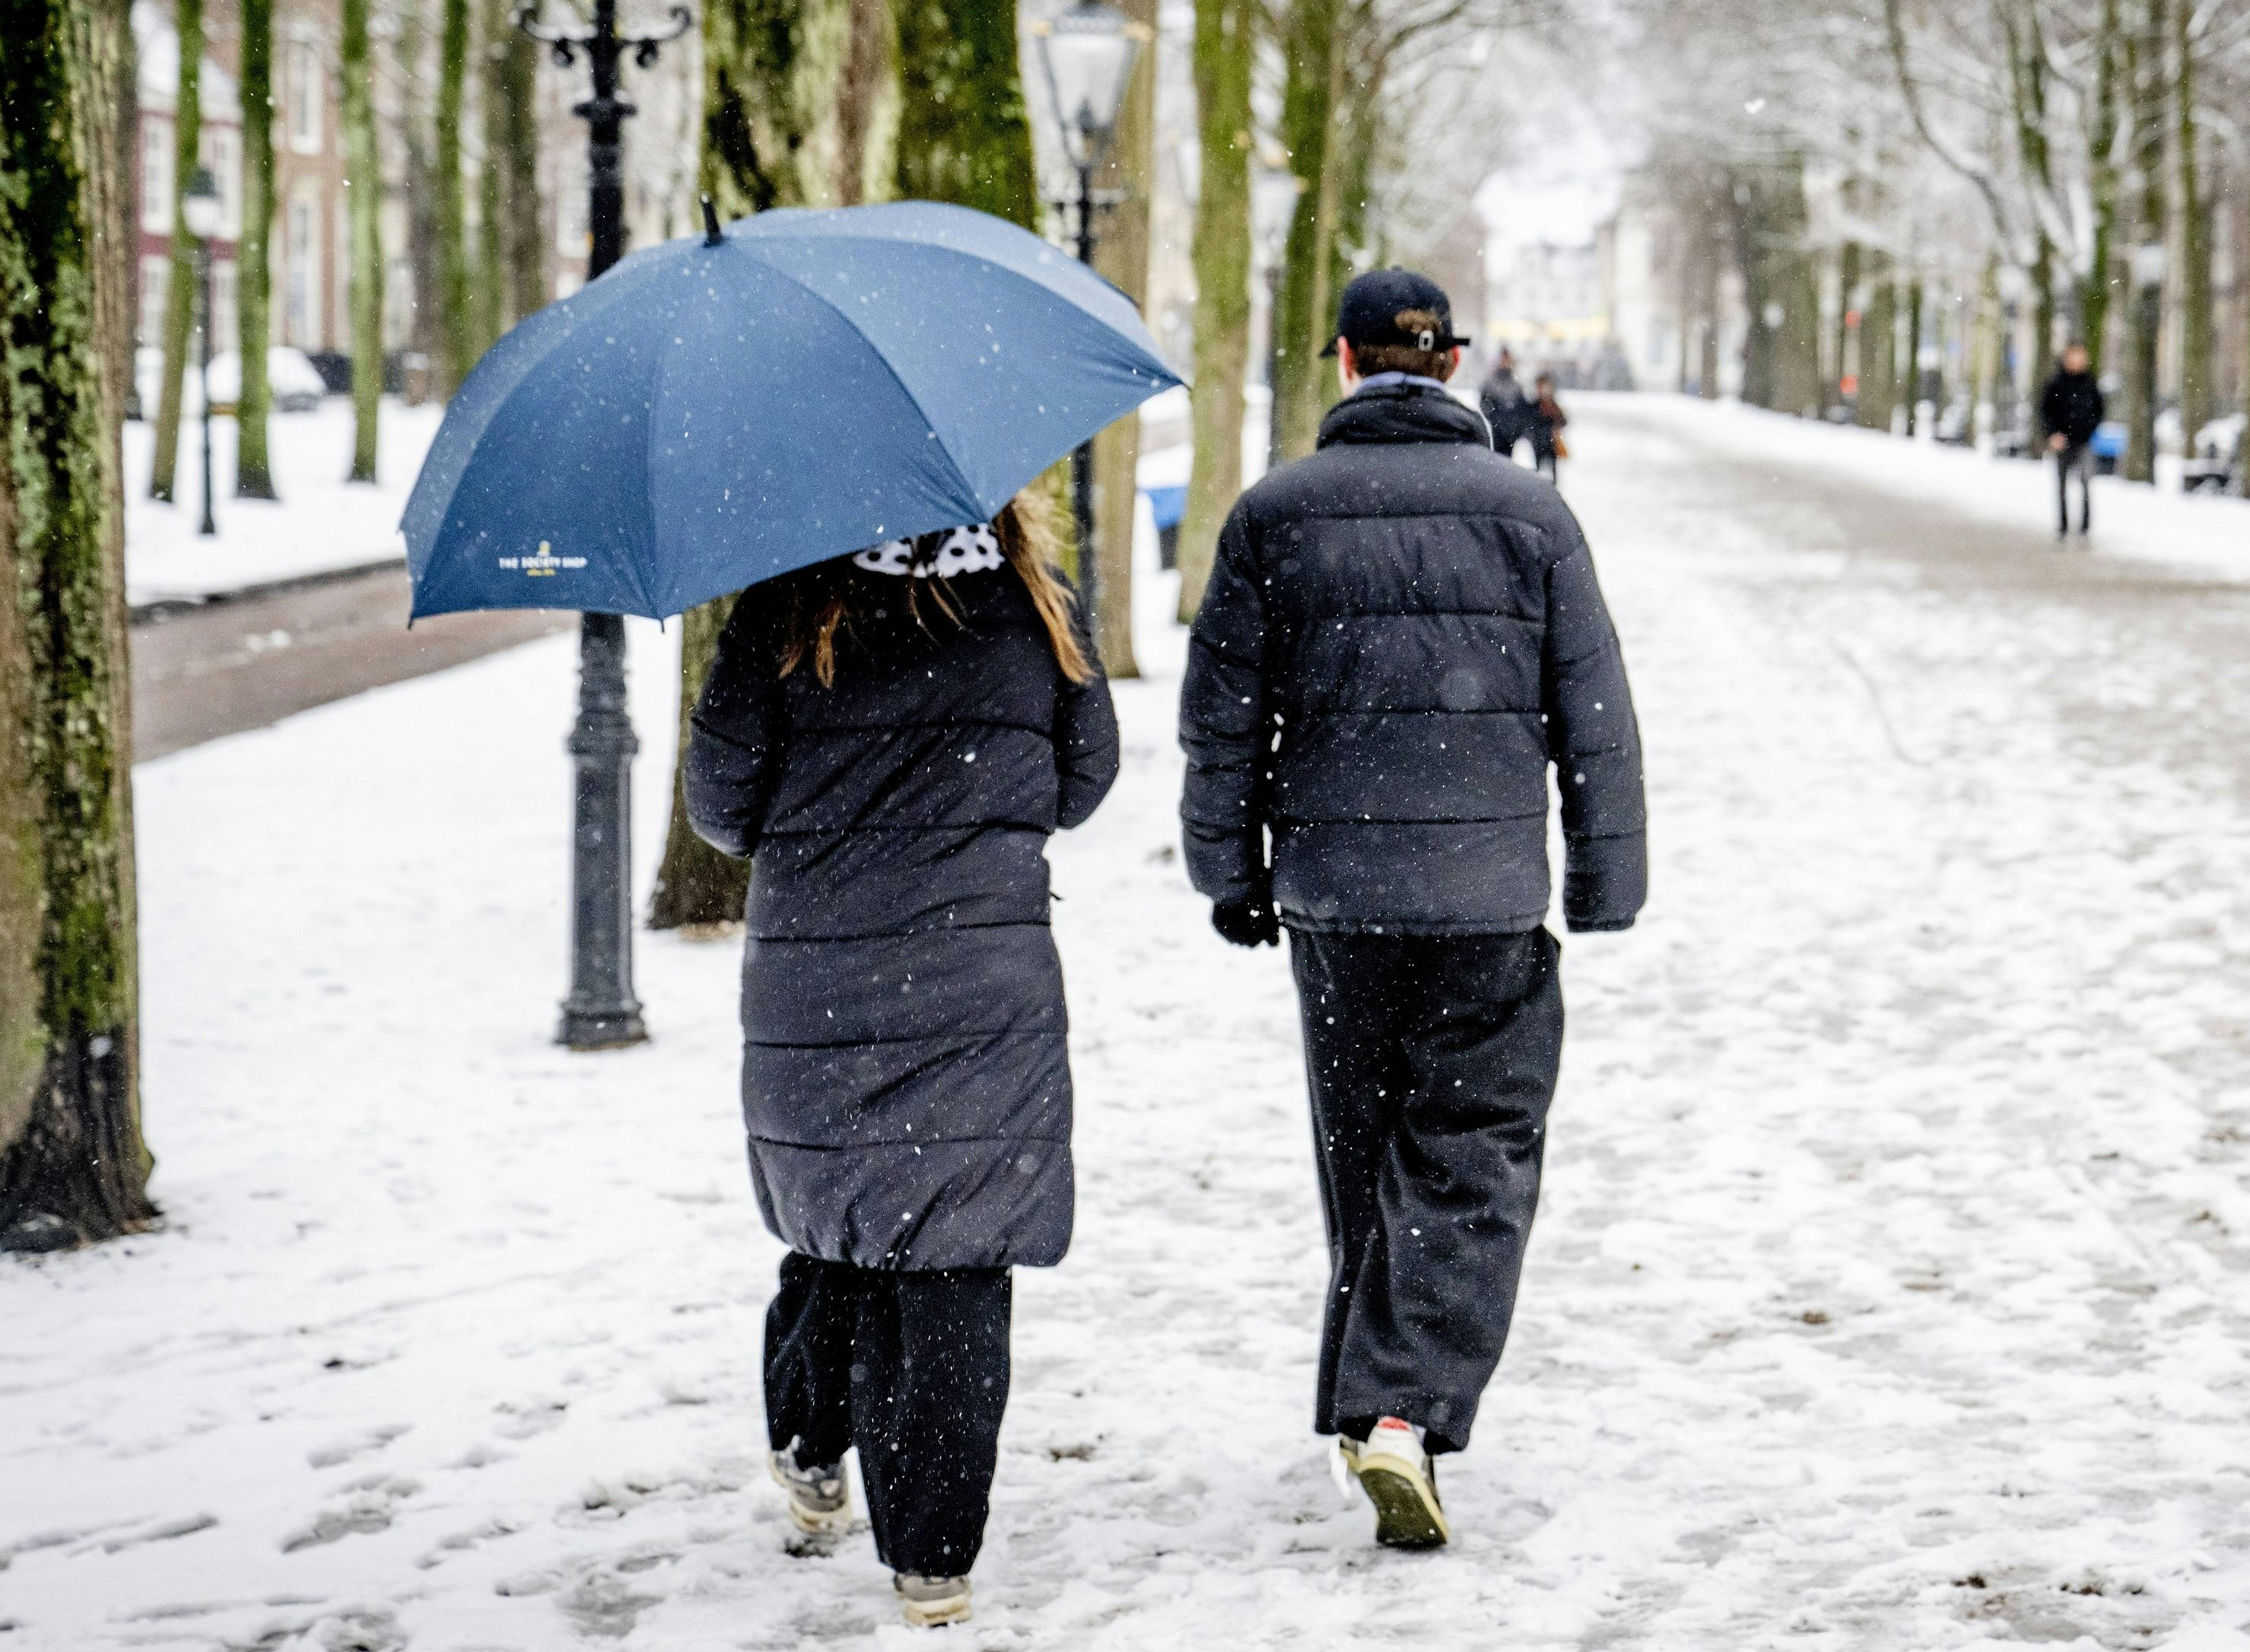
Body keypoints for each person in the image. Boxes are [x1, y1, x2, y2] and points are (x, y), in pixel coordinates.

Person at [1178, 268, 1646, 1551]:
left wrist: (1230, 872)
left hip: (1335, 898)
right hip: (1488, 898)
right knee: (1476, 1155)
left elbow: (1220, 720)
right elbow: (1594, 718)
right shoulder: (1529, 515)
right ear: (1449, 369)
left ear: (1343, 362)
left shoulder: (1274, 516)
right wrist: (1608, 879)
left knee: (1365, 1151)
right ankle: (1402, 1415)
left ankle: (1369, 1399)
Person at [684, 495, 1116, 1629]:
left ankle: (809, 1436)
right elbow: (1083, 781)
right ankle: (933, 1552)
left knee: (840, 1220)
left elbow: (721, 809)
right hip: (983, 977)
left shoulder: (786, 606)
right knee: (958, 1250)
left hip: (819, 977)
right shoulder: (1036, 605)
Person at [2039, 342, 2104, 538]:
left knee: (2085, 482)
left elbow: (2098, 411)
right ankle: (2063, 525)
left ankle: (2085, 526)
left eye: (2080, 357)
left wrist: (2089, 430)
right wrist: (2053, 434)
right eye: (2073, 357)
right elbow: (2045, 412)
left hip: (2083, 442)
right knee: (2062, 485)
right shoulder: (2055, 383)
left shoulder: (2090, 384)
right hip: (2061, 441)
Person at [1476, 349, 1530, 458]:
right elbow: (1485, 404)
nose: (1505, 362)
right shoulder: (1491, 381)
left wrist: (1516, 426)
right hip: (1497, 430)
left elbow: (1522, 408)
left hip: (1511, 430)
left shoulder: (1516, 382)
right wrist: (1497, 420)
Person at [1530, 372, 1568, 482]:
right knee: (1538, 470)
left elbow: (1564, 420)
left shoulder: (1553, 405)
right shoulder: (1535, 405)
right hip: (1538, 442)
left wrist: (1555, 427)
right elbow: (1529, 423)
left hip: (1551, 443)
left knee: (1553, 472)